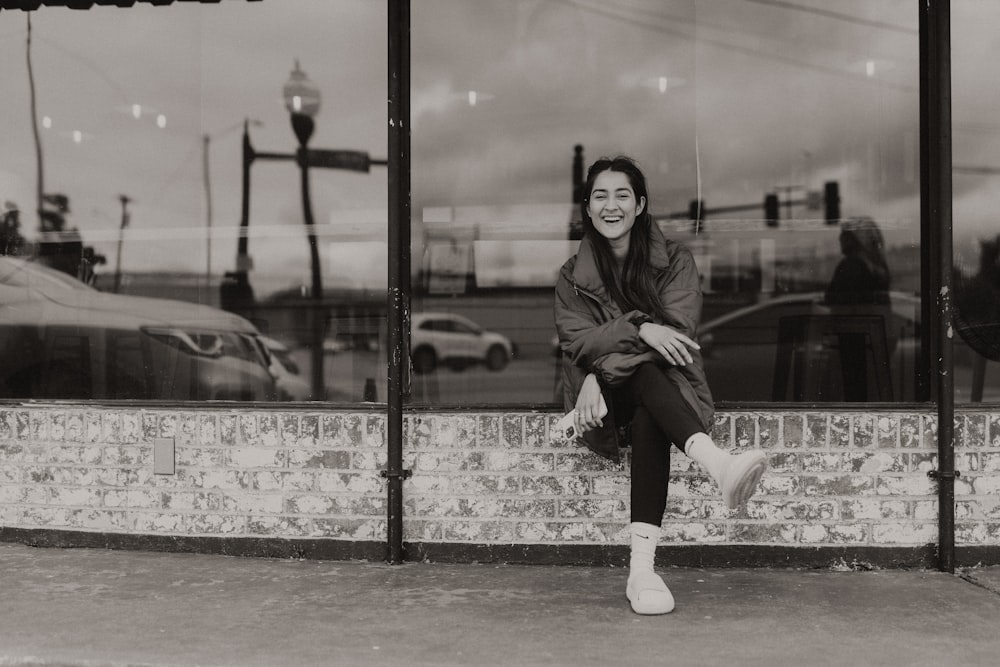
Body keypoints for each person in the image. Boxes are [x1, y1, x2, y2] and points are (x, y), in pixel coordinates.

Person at [554, 156, 767, 615]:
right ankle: (715, 462)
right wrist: (640, 330)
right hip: (603, 401)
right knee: (646, 370)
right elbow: (577, 340)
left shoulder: (676, 264)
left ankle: (642, 571)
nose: (611, 206)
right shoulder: (571, 277)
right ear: (588, 209)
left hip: (661, 388)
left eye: (622, 195)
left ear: (640, 205)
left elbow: (678, 336)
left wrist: (598, 369)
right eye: (600, 196)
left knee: (650, 388)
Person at [824, 217, 892, 401]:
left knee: (853, 387)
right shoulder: (878, 267)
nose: (840, 240)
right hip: (875, 334)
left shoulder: (851, 265)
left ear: (855, 240)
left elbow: (832, 297)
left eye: (845, 236)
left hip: (852, 333)